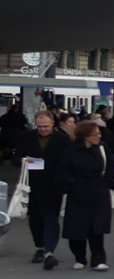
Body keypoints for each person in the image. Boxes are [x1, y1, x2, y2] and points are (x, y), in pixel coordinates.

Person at [57, 121, 114, 271]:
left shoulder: (103, 148)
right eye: (95, 134)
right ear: (85, 136)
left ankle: (98, 260)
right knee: (76, 230)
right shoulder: (71, 151)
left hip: (99, 193)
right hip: (78, 194)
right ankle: (80, 257)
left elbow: (111, 166)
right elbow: (62, 171)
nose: (99, 136)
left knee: (97, 229)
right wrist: (71, 185)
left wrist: (109, 182)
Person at [14, 111, 70, 270]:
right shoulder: (25, 137)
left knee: (51, 218)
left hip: (54, 185)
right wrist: (26, 162)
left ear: (53, 123)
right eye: (40, 126)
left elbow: (66, 161)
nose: (43, 129)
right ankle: (39, 247)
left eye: (46, 126)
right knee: (36, 219)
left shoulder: (62, 139)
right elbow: (16, 159)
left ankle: (49, 251)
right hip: (32, 184)